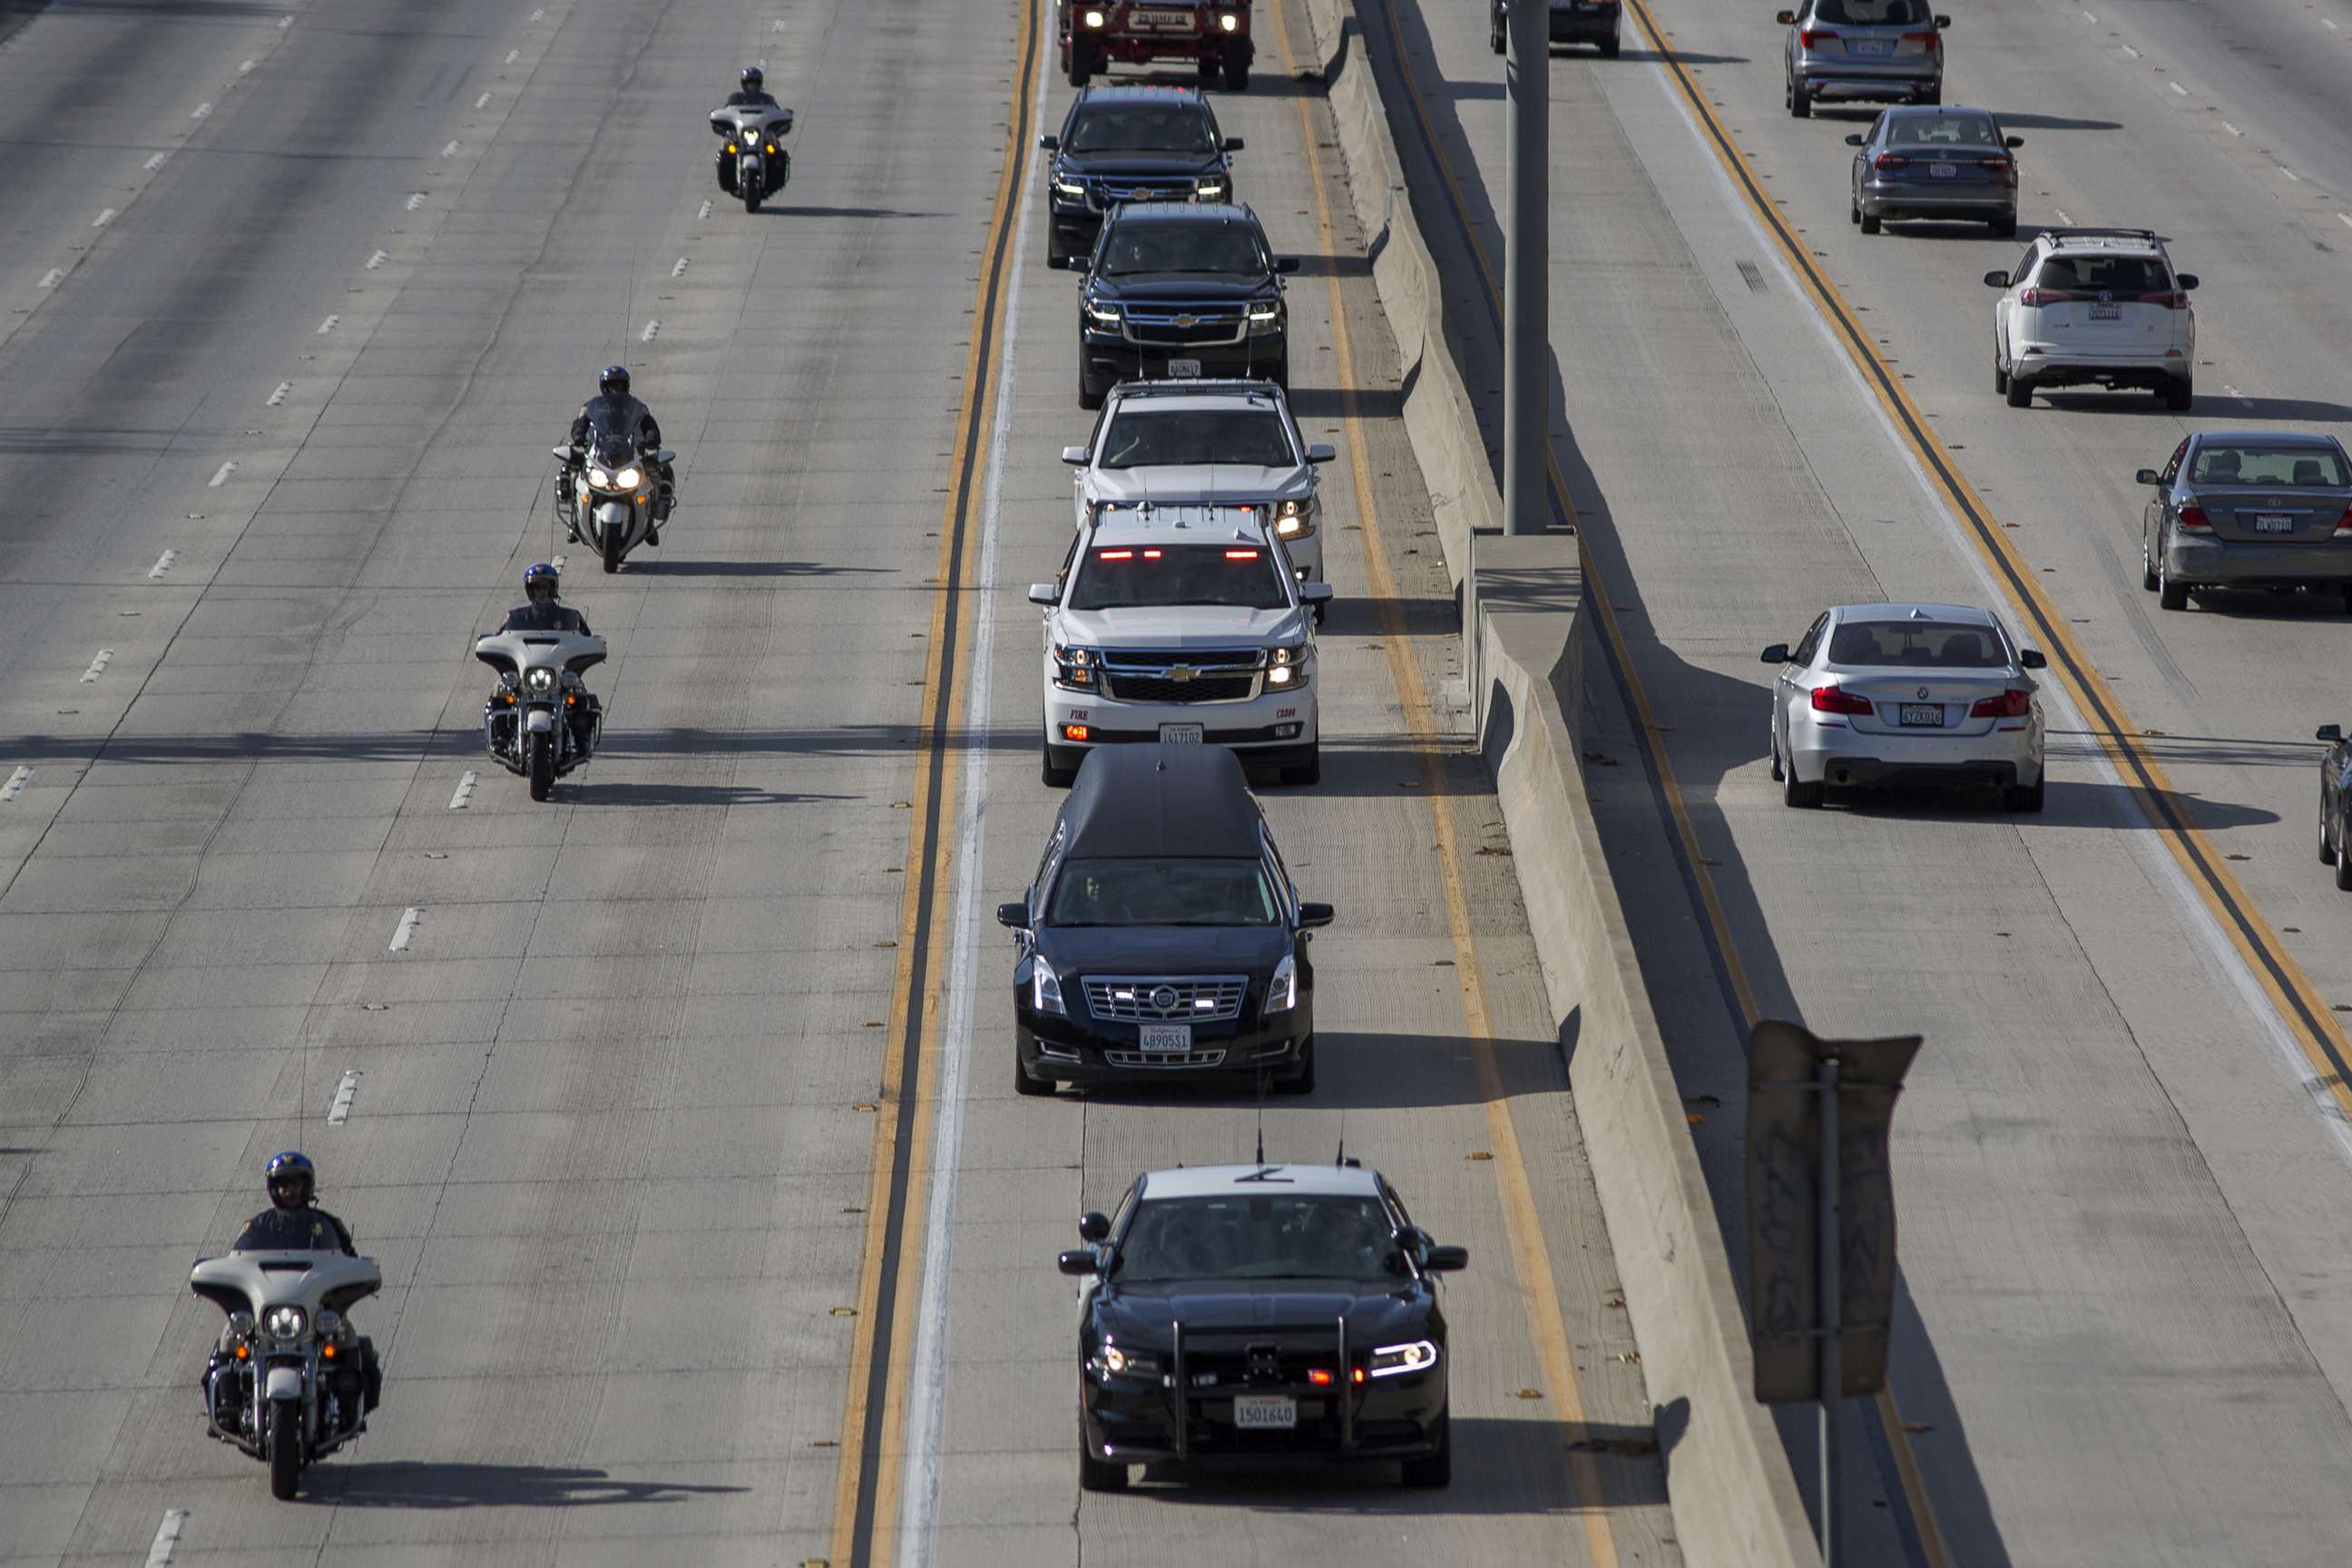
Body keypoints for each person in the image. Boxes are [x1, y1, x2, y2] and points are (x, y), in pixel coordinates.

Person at [212, 1152, 381, 1416]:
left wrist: (361, 1272)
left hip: (312, 1309)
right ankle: (227, 1403)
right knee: (229, 1335)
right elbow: (237, 1261)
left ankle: (349, 1404)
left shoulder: (326, 1225)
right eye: (283, 1185)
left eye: (295, 1185)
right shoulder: (256, 1226)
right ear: (273, 1189)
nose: (289, 1191)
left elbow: (350, 1259)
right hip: (268, 1310)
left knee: (345, 1332)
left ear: (307, 1186)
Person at [487, 564, 600, 758]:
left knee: (578, 690)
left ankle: (582, 739)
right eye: (537, 588)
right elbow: (499, 638)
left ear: (552, 589)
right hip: (526, 675)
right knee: (501, 688)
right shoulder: (517, 617)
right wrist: (488, 643)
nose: (541, 592)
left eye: (545, 587)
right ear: (530, 591)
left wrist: (595, 644)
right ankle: (501, 737)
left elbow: (587, 638)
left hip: (558, 674)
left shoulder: (569, 617)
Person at [563, 366, 673, 544]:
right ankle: (574, 522)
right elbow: (580, 424)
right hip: (599, 452)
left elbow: (650, 426)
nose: (616, 390)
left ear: (626, 387)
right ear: (604, 387)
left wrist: (651, 441)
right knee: (570, 468)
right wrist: (578, 438)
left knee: (661, 470)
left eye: (619, 386)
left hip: (629, 452)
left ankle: (649, 522)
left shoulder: (637, 407)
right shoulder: (591, 407)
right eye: (612, 386)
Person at [716, 66, 789, 199]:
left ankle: (772, 179)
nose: (752, 86)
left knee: (775, 148)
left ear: (760, 84)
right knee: (727, 147)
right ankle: (730, 179)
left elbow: (777, 112)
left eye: (755, 83)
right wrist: (719, 116)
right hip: (741, 135)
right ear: (743, 84)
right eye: (749, 83)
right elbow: (725, 112)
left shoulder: (767, 99)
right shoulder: (735, 98)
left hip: (760, 134)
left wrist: (784, 115)